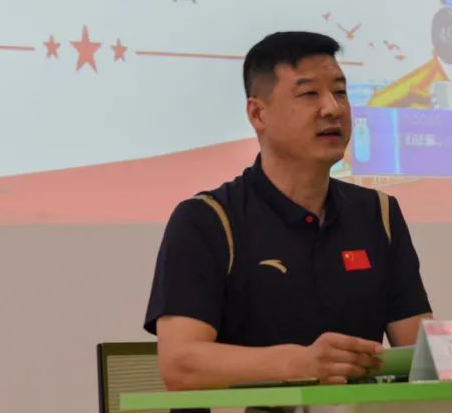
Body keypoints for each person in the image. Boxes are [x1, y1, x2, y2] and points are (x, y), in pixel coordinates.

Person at [144, 31, 432, 405]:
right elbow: (180, 365)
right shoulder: (207, 220)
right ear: (258, 114)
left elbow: (423, 356)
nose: (332, 109)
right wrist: (301, 364)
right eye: (309, 94)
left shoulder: (379, 214)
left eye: (340, 92)